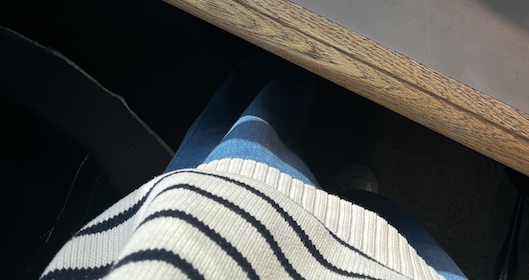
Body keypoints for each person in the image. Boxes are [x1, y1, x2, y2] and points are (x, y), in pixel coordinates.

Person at [41, 55, 468, 280]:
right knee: (390, 231)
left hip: (204, 234)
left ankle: (283, 60)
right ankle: (349, 204)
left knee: (252, 116)